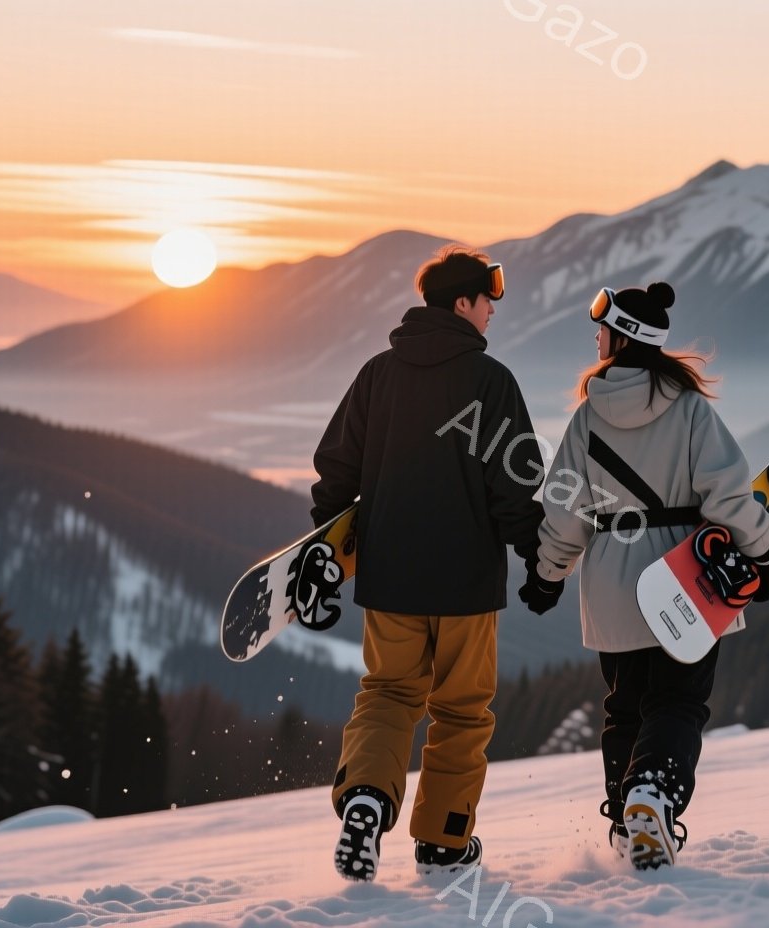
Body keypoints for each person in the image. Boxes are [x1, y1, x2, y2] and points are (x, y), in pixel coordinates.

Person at [520, 281, 769, 871]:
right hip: (689, 580)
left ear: (622, 336)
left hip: (613, 584)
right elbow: (729, 497)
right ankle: (654, 795)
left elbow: (565, 512)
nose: (595, 337)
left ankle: (626, 825)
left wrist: (547, 575)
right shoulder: (691, 410)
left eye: (602, 327)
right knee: (677, 701)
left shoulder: (587, 418)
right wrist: (765, 556)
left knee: (626, 709)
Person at [310, 245, 546, 881]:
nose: (493, 310)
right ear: (462, 303)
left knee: (388, 694)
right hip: (466, 584)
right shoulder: (490, 381)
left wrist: (325, 548)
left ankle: (367, 796)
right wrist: (538, 560)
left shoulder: (378, 375)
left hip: (390, 579)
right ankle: (443, 841)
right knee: (461, 710)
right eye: (487, 298)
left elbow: (337, 469)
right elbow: (516, 488)